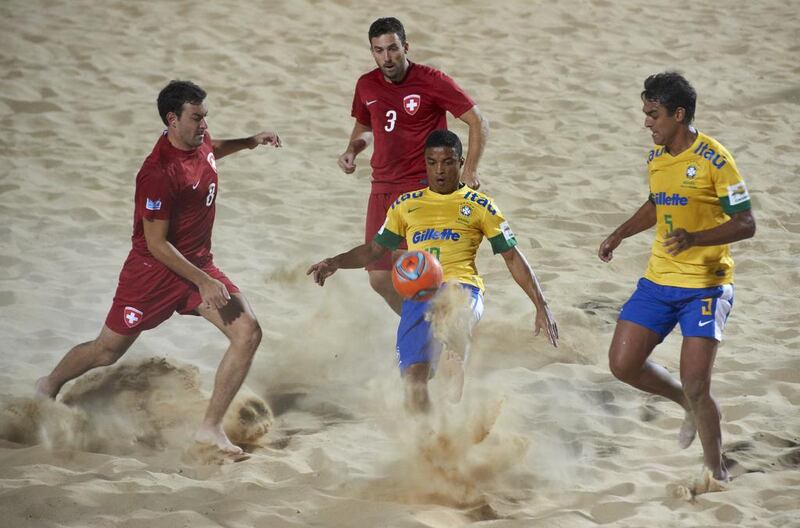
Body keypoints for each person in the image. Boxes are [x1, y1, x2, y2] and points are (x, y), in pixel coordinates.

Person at [35, 80, 282, 455]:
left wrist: (248, 142)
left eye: (205, 117)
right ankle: (49, 385)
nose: (204, 124)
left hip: (197, 263)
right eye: (197, 118)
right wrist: (203, 282)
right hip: (153, 275)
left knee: (248, 332)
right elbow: (156, 244)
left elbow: (211, 150)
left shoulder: (198, 138)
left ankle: (209, 429)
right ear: (172, 119)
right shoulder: (158, 173)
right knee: (106, 350)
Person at [312, 130, 557, 412]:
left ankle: (454, 362)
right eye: (432, 162)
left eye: (448, 162)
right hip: (418, 295)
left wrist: (541, 305)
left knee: (454, 312)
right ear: (425, 163)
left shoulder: (480, 205)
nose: (439, 171)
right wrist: (335, 262)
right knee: (413, 384)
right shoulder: (405, 205)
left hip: (462, 287)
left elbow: (512, 257)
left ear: (461, 163)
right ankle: (428, 444)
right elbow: (374, 250)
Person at [598, 72, 756, 483]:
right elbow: (655, 204)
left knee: (698, 384)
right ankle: (683, 402)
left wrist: (695, 238)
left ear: (678, 114)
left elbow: (746, 223)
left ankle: (715, 471)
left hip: (705, 286)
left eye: (653, 114)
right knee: (623, 364)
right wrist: (619, 233)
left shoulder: (715, 159)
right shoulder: (657, 157)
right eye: (646, 114)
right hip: (659, 280)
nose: (647, 123)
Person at [338, 17, 489, 315]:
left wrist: (470, 169)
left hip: (421, 188)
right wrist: (352, 150)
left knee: (418, 268)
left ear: (405, 47)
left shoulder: (431, 80)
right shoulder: (366, 85)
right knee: (380, 277)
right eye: (379, 51)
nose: (387, 57)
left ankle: (440, 328)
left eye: (392, 49)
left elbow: (478, 121)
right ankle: (424, 324)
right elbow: (366, 125)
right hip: (381, 188)